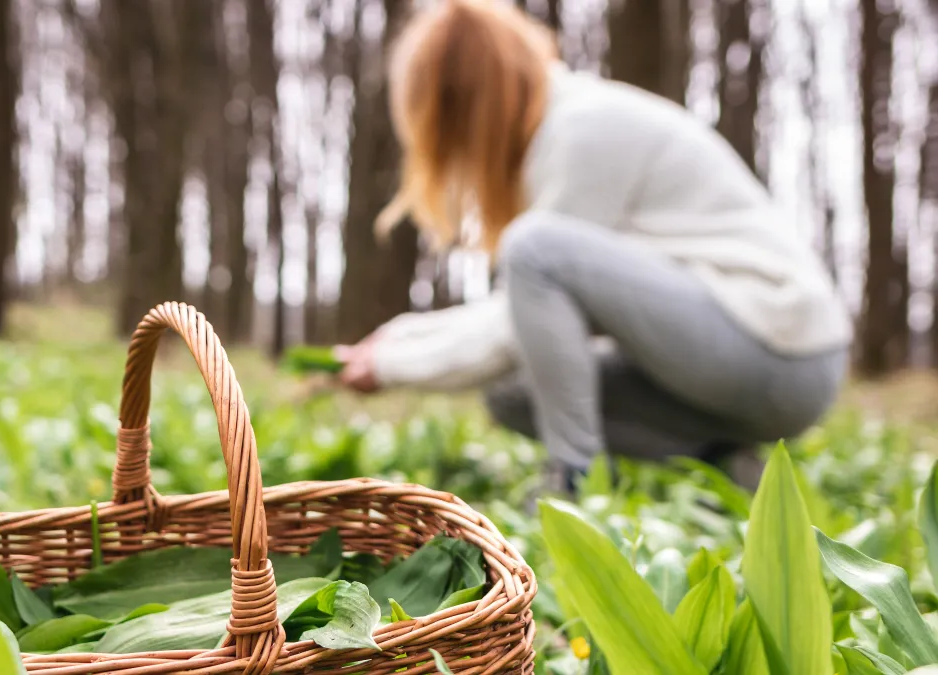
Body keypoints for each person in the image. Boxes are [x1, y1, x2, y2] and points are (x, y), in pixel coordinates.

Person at [332, 0, 852, 493]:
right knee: (513, 396)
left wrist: (390, 365)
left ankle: (572, 481)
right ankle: (729, 467)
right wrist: (393, 342)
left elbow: (513, 314)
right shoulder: (556, 136)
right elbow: (516, 320)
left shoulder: (583, 128)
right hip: (731, 361)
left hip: (783, 351)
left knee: (532, 249)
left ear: (464, 101)